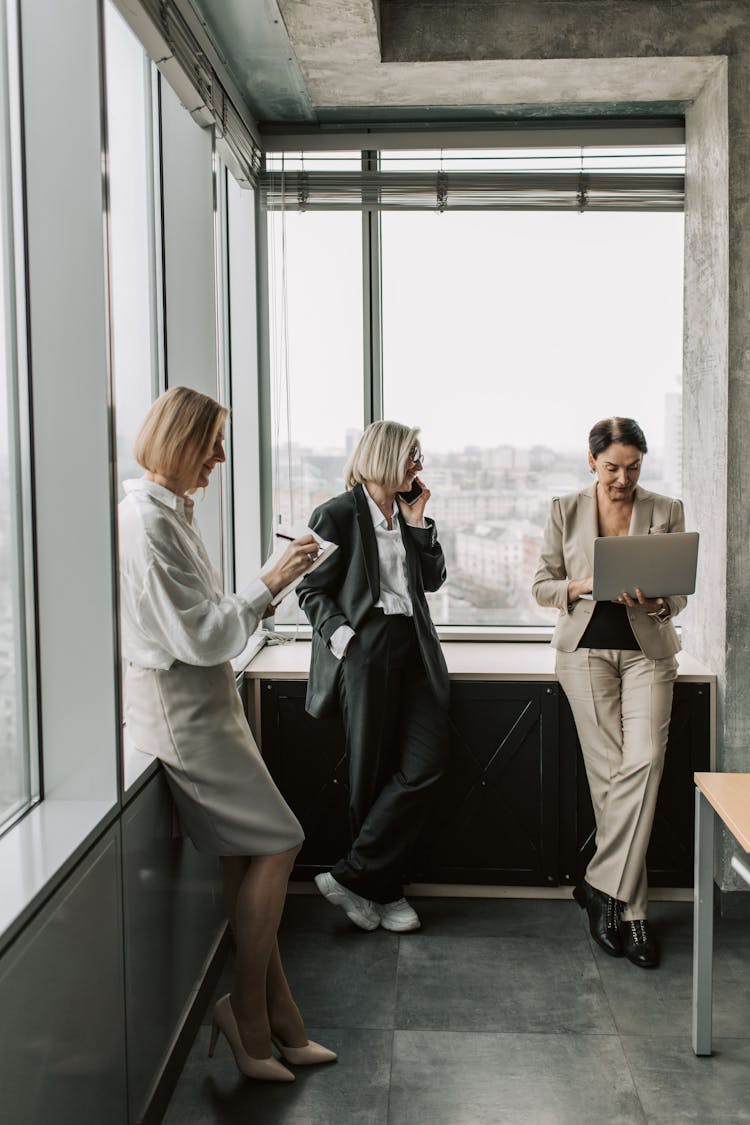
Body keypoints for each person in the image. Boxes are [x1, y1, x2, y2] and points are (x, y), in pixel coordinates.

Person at [118, 386, 336, 1082]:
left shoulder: (170, 514)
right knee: (281, 838)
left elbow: (207, 625)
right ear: (178, 441)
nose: (219, 457)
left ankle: (280, 1018)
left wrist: (266, 586)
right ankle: (246, 1016)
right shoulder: (146, 525)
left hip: (206, 703)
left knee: (249, 858)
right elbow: (206, 634)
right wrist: (271, 580)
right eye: (211, 443)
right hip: (183, 712)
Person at [532, 417, 687, 969]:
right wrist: (577, 586)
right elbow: (541, 585)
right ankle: (634, 914)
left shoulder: (665, 509)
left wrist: (657, 602)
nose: (624, 478)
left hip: (648, 654)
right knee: (609, 781)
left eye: (634, 467)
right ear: (591, 462)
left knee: (642, 766)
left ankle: (600, 887)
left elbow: (677, 596)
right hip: (585, 655)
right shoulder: (564, 509)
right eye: (612, 467)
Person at [297, 421, 451, 933]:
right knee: (369, 773)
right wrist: (346, 640)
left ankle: (353, 878)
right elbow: (311, 590)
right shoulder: (337, 513)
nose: (419, 466)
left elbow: (430, 581)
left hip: (414, 650)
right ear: (385, 457)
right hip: (366, 650)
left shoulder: (406, 515)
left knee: (425, 766)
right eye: (413, 456)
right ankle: (382, 894)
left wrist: (418, 521)